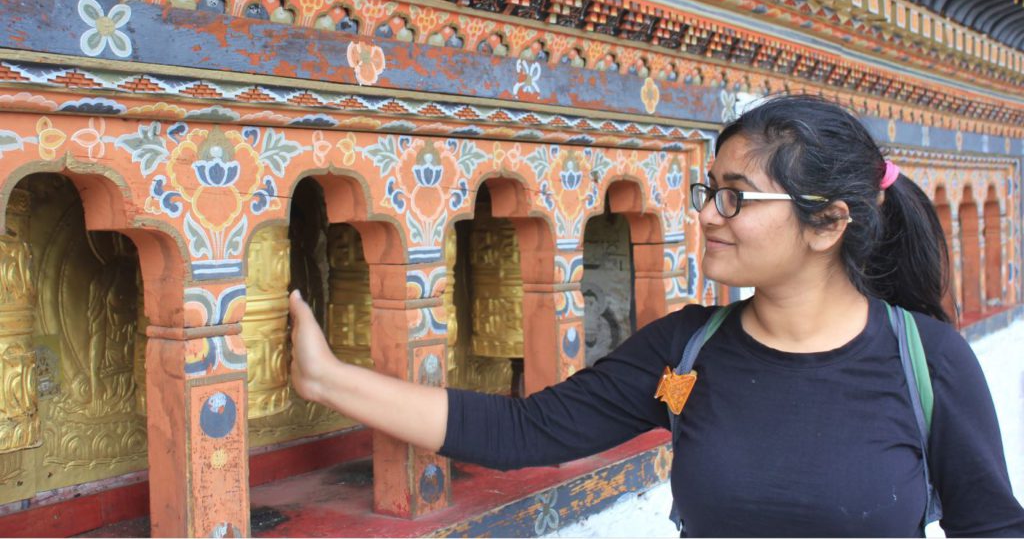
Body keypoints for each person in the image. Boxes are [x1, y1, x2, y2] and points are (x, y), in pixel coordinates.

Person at [289, 94, 1024, 536]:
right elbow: (525, 431)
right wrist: (327, 380)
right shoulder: (688, 353)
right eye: (709, 191)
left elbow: (989, 527)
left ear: (827, 223)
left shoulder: (923, 361)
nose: (706, 215)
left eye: (735, 196)